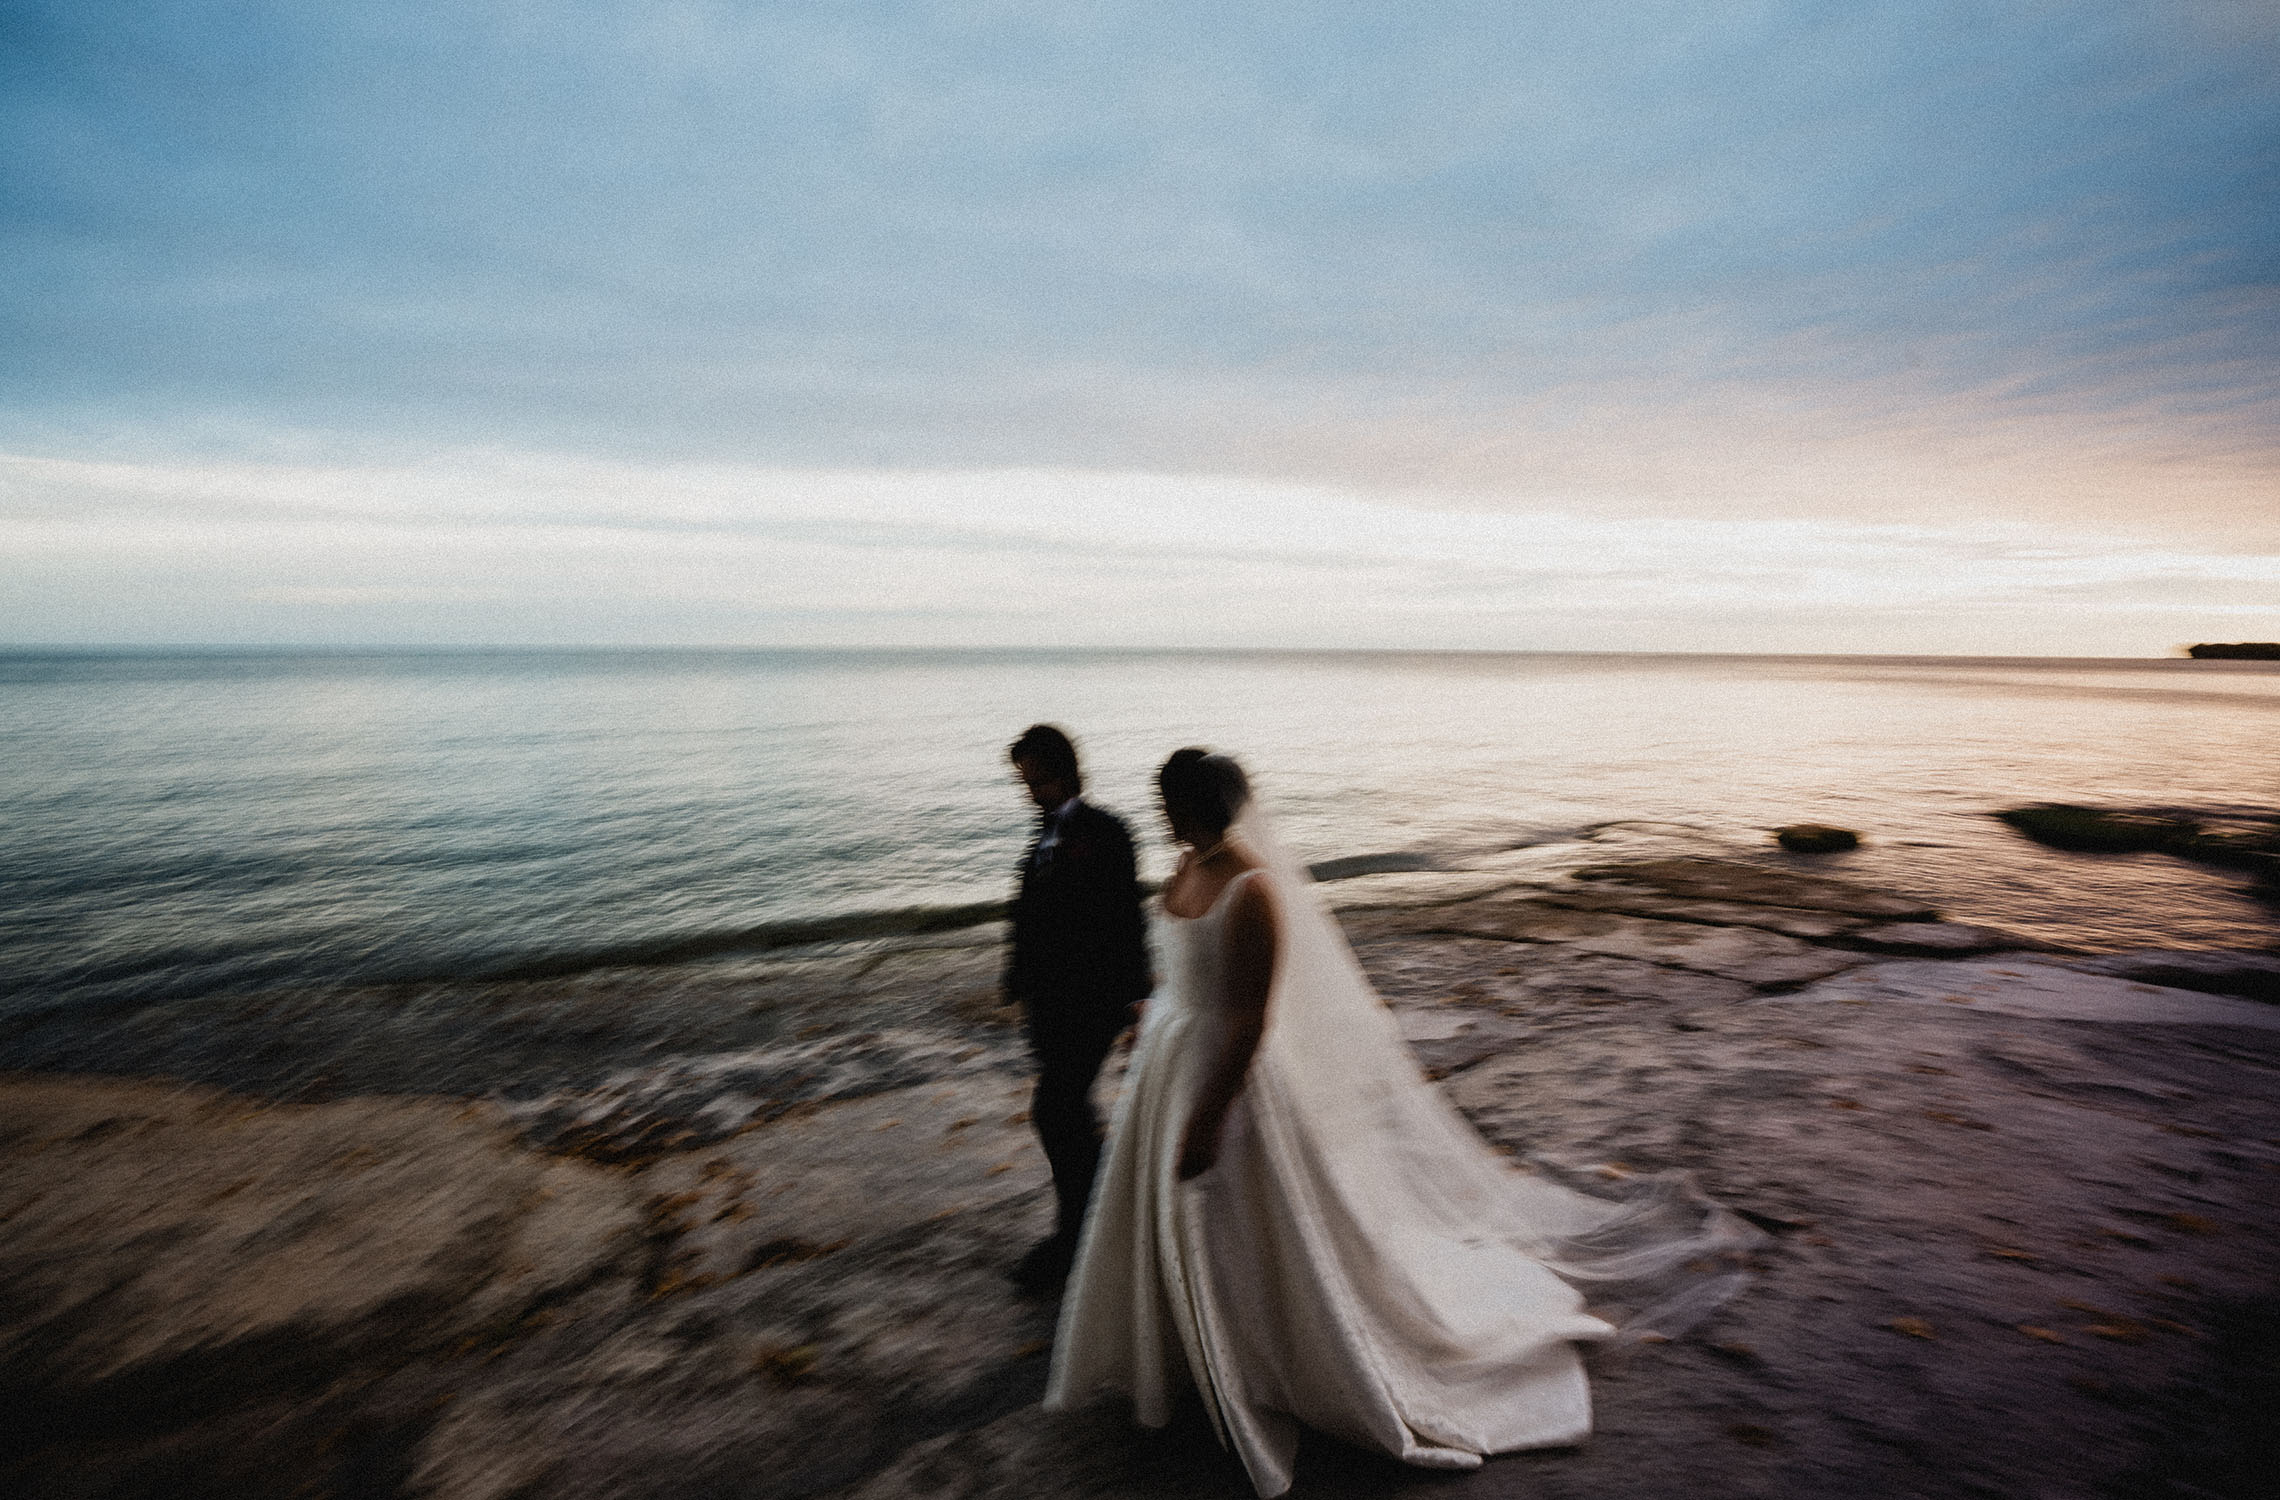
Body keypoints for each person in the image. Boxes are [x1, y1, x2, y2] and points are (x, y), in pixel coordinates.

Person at [1046, 749, 1756, 1497]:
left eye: (1169, 802)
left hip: (1225, 1078)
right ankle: (1187, 1355)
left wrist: (1210, 1115)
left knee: (1237, 1224)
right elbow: (1179, 971)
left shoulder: (1252, 887)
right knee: (1169, 1219)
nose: (1161, 814)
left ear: (1199, 805)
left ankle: (1258, 1360)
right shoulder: (1184, 870)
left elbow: (1252, 1016)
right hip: (1170, 1061)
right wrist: (1149, 1014)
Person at [1003, 724, 1153, 1291]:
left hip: (1090, 1003)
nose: (1027, 790)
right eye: (1023, 780)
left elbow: (1124, 919)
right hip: (1048, 1007)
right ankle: (1091, 1225)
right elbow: (1030, 916)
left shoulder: (1107, 833)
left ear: (1063, 773)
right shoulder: (1043, 836)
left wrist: (1137, 996)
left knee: (1055, 1111)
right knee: (1068, 1115)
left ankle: (1079, 1235)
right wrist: (1016, 981)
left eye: (1033, 779)